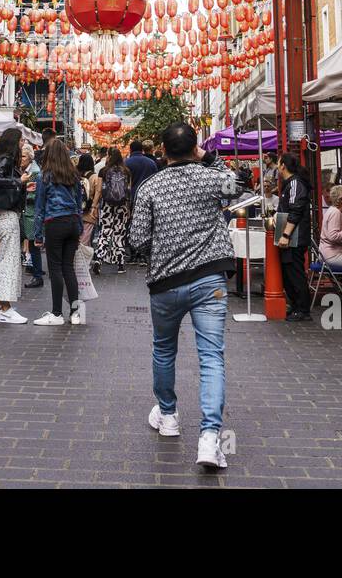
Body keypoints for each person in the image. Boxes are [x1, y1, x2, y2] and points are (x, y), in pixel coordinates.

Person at [129, 122, 238, 471]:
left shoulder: (150, 187)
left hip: (165, 284)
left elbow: (137, 240)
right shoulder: (210, 179)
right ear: (195, 149)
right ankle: (209, 438)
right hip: (211, 282)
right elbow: (239, 184)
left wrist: (162, 247)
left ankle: (168, 415)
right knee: (212, 358)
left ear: (162, 150)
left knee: (164, 349)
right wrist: (209, 157)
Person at [31, 138, 85, 326]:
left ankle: (56, 314)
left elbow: (40, 207)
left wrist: (37, 235)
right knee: (68, 268)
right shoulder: (74, 175)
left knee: (55, 268)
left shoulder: (45, 176)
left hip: (55, 222)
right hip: (72, 222)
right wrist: (79, 229)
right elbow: (79, 205)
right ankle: (76, 313)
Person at [0, 129, 29, 323]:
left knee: (9, 259)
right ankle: (5, 309)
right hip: (7, 214)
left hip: (5, 213)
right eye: (20, 140)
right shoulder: (6, 159)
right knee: (9, 261)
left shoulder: (3, 158)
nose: (23, 143)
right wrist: (19, 181)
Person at [274, 153, 313, 321]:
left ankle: (303, 309)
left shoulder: (295, 183)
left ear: (283, 165)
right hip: (290, 236)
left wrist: (285, 234)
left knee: (295, 272)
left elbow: (296, 210)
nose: (277, 166)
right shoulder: (289, 184)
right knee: (288, 271)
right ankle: (296, 305)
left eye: (278, 162)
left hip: (295, 237)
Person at [94, 147, 133, 273]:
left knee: (104, 231)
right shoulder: (127, 171)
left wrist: (94, 206)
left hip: (106, 205)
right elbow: (128, 191)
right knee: (119, 233)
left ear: (109, 156)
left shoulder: (103, 171)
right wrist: (128, 209)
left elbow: (99, 191)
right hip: (121, 206)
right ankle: (120, 264)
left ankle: (99, 259)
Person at [19, 145, 44, 287]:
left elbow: (32, 195)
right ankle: (36, 271)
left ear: (30, 157)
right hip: (29, 212)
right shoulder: (29, 170)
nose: (21, 159)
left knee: (34, 244)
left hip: (31, 213)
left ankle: (37, 275)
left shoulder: (33, 172)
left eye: (23, 156)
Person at [319, 185, 342, 275]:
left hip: (329, 254)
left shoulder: (333, 210)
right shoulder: (335, 213)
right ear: (340, 200)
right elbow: (333, 236)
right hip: (333, 256)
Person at [76, 152, 100, 247]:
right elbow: (98, 194)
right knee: (84, 241)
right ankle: (81, 259)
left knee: (77, 239)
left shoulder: (75, 175)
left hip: (76, 212)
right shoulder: (95, 177)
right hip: (89, 214)